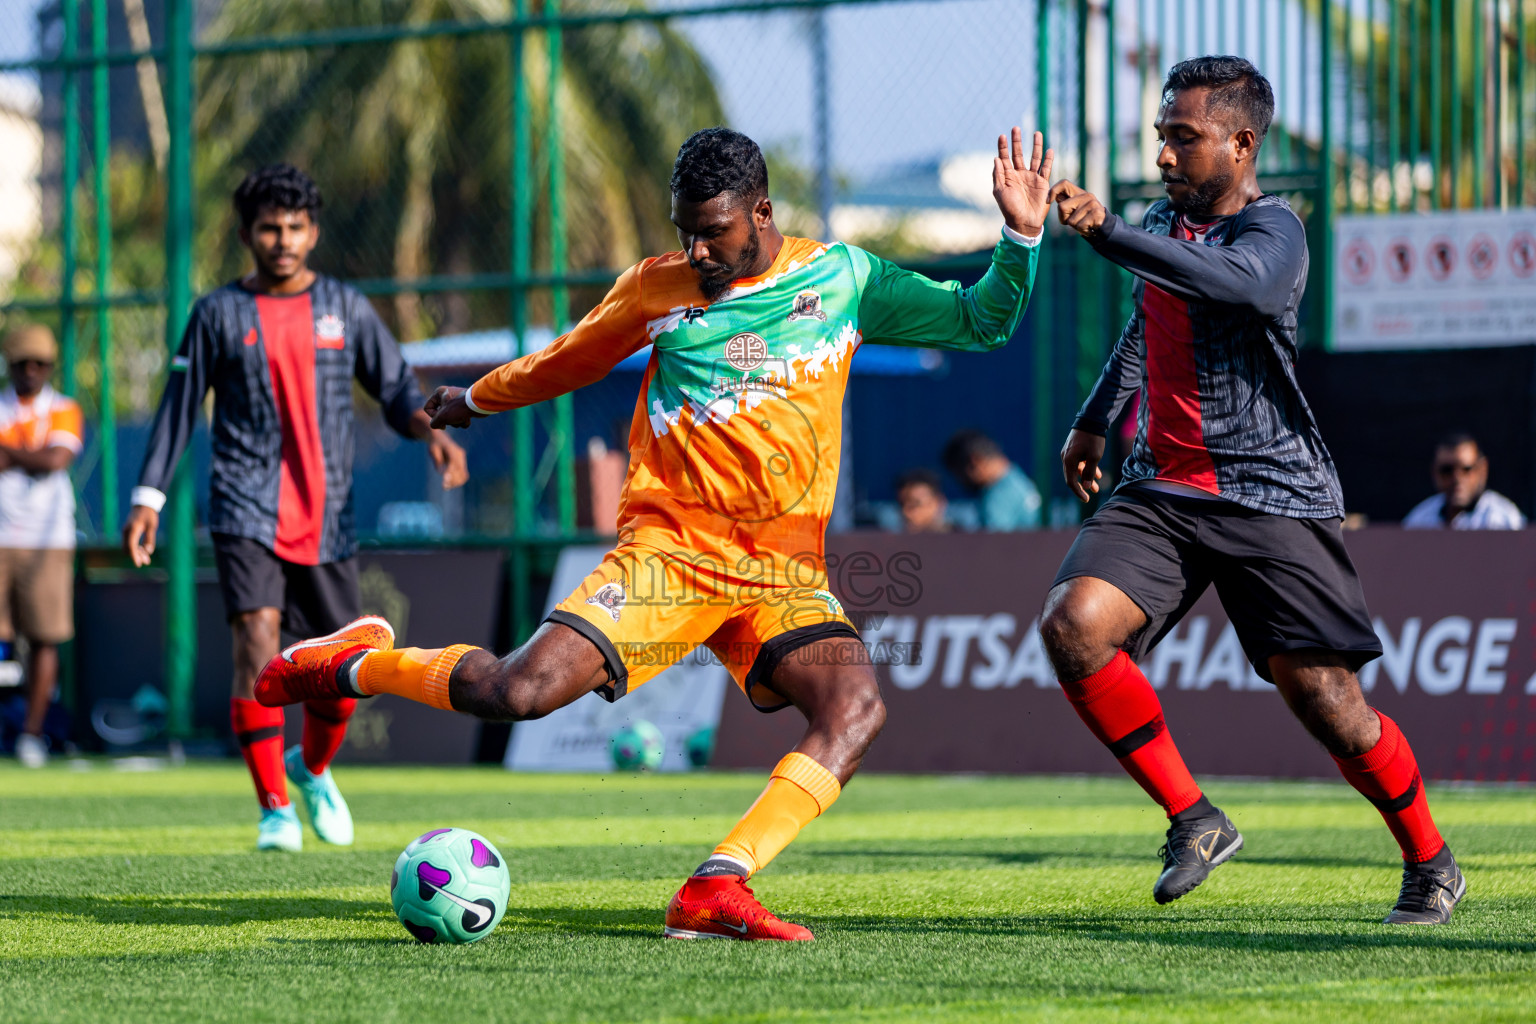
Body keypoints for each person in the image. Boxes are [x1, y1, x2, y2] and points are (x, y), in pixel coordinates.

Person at [255, 126, 1052, 939]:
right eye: (686, 232)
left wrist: (1021, 236)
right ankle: (355, 662)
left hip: (783, 575)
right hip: (669, 559)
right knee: (516, 693)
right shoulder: (655, 289)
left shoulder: (843, 279)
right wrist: (478, 399)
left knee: (855, 709)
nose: (698, 249)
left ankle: (716, 885)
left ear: (762, 212)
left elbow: (981, 321)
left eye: (714, 230)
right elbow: (569, 359)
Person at [1040, 56, 1463, 925]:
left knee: (1330, 705)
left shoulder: (1275, 233)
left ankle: (1431, 859)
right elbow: (1143, 320)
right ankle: (1193, 816)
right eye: (1162, 136)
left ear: (1241, 143)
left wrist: (1110, 231)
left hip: (1270, 491)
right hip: (1161, 486)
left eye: (1183, 138)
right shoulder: (1164, 220)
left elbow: (1237, 286)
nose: (1164, 155)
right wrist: (1093, 417)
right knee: (1073, 625)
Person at [122, 165, 468, 851]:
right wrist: (148, 498)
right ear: (248, 234)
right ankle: (274, 809)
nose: (282, 241)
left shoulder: (344, 307)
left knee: (334, 676)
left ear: (313, 232)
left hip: (329, 512)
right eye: (269, 229)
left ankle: (309, 769)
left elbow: (396, 389)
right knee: (256, 638)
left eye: (295, 228)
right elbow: (177, 410)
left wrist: (432, 433)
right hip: (243, 504)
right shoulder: (217, 313)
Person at [0, 325, 81, 767]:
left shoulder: (63, 409)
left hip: (47, 539)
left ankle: (32, 734)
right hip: (0, 536)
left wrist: (10, 455)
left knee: (45, 637)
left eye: (40, 365)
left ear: (49, 368)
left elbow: (56, 459)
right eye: (21, 364)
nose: (30, 372)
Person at [1403, 433, 1525, 530]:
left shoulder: (1504, 521)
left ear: (1482, 469)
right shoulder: (1419, 521)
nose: (1457, 479)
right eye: (1447, 470)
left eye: (1466, 469)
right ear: (1435, 472)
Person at [942, 429, 1042, 530]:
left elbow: (995, 543)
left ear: (975, 461)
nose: (961, 481)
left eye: (959, 474)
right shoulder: (1018, 478)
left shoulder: (997, 498)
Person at [895, 468, 951, 533]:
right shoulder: (891, 539)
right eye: (901, 504)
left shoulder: (960, 538)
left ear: (939, 502)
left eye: (915, 504)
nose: (905, 512)